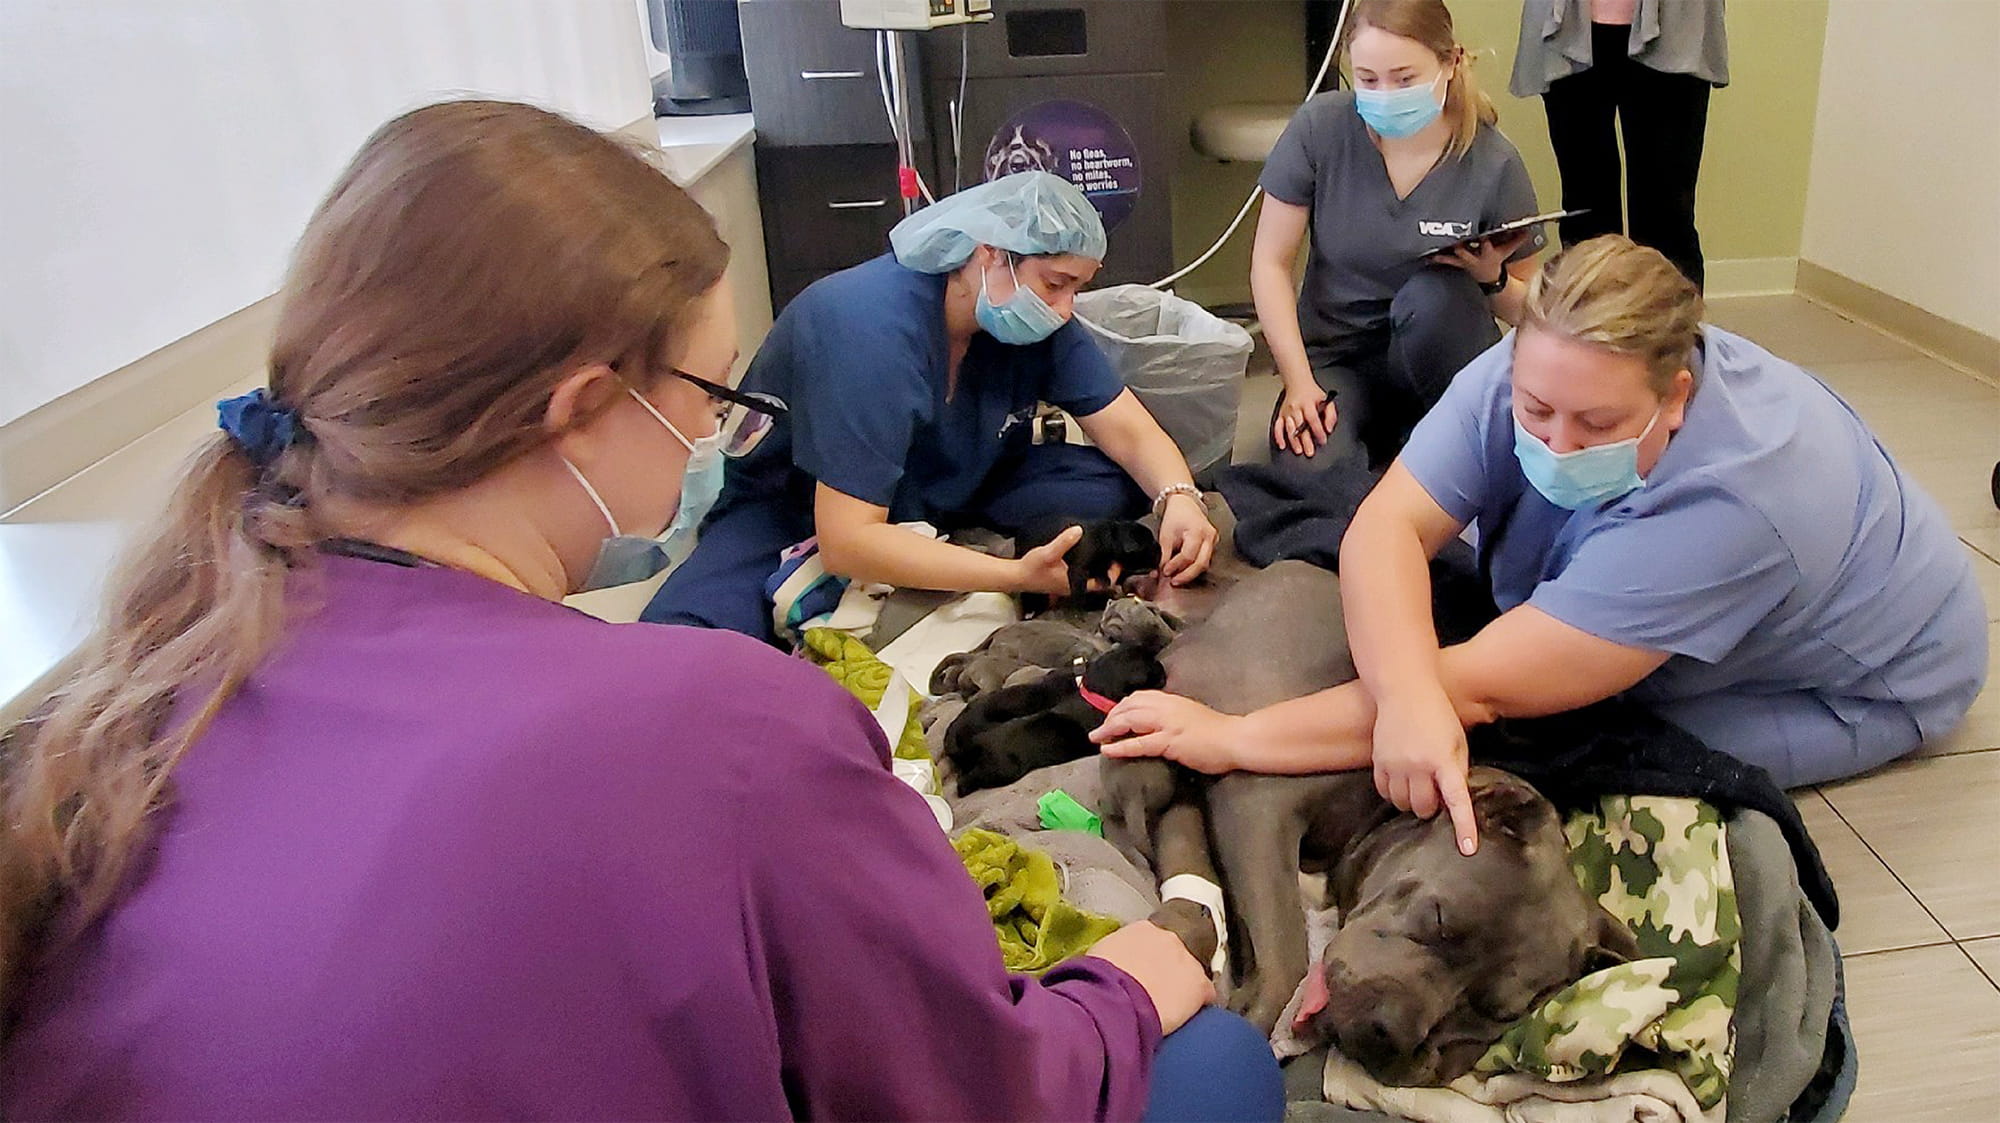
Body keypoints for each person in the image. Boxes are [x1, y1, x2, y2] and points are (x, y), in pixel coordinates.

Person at [0, 101, 1285, 1121]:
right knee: (1216, 1063)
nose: (715, 431)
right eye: (709, 392)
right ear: (577, 406)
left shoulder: (146, 673)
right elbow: (973, 1080)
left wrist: (1171, 489)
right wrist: (1128, 980)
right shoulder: (718, 716)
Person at [1094, 236, 1988, 855]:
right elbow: (1388, 526)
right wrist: (1405, 692)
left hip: (1864, 682)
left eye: (1596, 423)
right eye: (1535, 414)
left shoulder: (1741, 505)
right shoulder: (1542, 357)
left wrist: (1237, 736)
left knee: (1568, 744)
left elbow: (1479, 690)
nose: (1554, 442)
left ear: (1676, 397)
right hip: (1702, 540)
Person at [642, 171, 1219, 644]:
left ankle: (930, 541)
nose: (1066, 309)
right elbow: (846, 541)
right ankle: (929, 549)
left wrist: (1180, 500)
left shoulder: (1030, 319)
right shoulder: (866, 328)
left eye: (1076, 287)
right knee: (689, 640)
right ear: (990, 253)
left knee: (1115, 482)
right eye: (1055, 284)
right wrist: (1012, 575)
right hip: (801, 507)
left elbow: (1127, 428)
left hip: (949, 480)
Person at [1253, 0, 1546, 472]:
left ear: (1451, 63)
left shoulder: (1495, 163)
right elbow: (1270, 263)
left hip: (1443, 357)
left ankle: (1435, 454)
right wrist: (1298, 381)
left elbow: (1532, 317)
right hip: (1338, 360)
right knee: (1305, 465)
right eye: (1368, 79)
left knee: (1436, 295)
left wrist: (1491, 279)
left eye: (1405, 79)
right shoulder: (1320, 129)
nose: (1384, 95)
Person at [1512, 0, 1728, 289]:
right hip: (1569, 25)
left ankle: (1669, 330)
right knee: (1585, 210)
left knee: (1667, 216)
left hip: (1677, 23)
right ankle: (1589, 327)